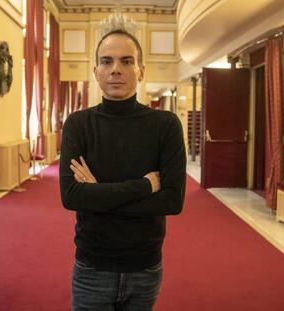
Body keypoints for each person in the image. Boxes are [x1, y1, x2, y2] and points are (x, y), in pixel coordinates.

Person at [59, 28, 186, 311]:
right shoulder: (78, 124)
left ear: (141, 70)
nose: (116, 69)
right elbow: (71, 197)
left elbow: (172, 201)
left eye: (127, 61)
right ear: (96, 71)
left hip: (145, 266)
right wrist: (143, 186)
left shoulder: (165, 125)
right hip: (93, 266)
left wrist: (97, 195)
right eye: (107, 61)